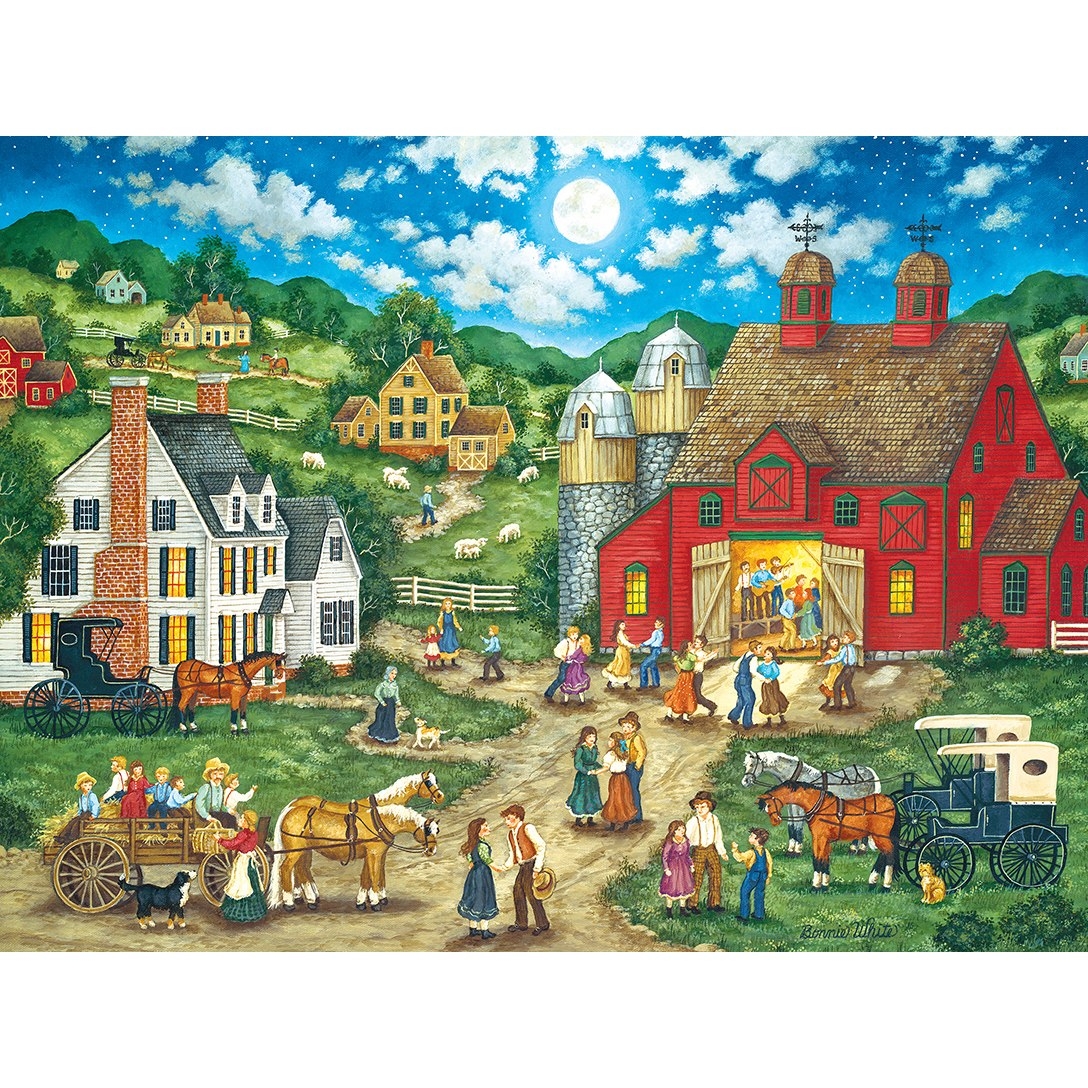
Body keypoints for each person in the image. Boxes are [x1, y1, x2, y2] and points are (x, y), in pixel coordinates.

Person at [500, 803, 550, 936]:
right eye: (505, 819)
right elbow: (513, 854)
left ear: (517, 817)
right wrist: (504, 867)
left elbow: (541, 846)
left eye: (508, 818)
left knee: (532, 894)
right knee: (517, 891)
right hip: (523, 866)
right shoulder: (510, 834)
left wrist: (537, 868)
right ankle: (521, 923)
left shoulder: (528, 828)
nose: (506, 822)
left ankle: (542, 923)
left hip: (532, 864)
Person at [217, 809, 268, 924]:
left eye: (242, 818)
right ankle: (256, 912)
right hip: (250, 862)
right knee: (252, 884)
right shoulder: (253, 833)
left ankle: (239, 914)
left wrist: (219, 840)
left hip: (243, 862)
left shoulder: (243, 834)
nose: (240, 820)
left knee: (240, 885)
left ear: (246, 822)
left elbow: (232, 844)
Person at [457, 818, 502, 939]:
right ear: (478, 829)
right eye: (485, 826)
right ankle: (484, 931)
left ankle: (473, 929)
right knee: (484, 899)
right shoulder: (482, 845)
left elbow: (469, 857)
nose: (488, 828)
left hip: (473, 875)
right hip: (483, 875)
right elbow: (487, 860)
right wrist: (498, 868)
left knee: (474, 898)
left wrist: (472, 863)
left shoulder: (473, 844)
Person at [685, 791, 728, 913]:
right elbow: (687, 840)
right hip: (699, 851)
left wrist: (722, 852)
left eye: (702, 807)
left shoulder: (714, 819)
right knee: (696, 876)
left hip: (711, 849)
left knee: (716, 874)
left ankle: (714, 903)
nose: (699, 810)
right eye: (697, 807)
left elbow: (718, 837)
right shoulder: (693, 822)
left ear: (709, 806)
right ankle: (692, 904)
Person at [732, 827, 773, 922]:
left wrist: (734, 849)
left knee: (744, 892)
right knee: (759, 894)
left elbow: (740, 858)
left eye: (751, 836)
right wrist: (769, 875)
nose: (749, 837)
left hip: (753, 876)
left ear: (757, 840)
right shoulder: (765, 851)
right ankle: (759, 914)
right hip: (763, 875)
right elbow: (769, 863)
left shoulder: (751, 852)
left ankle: (744, 915)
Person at [565, 726, 603, 827]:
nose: (592, 738)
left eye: (593, 736)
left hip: (592, 777)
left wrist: (602, 768)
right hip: (583, 777)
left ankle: (590, 819)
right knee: (581, 795)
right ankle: (578, 819)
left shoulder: (594, 748)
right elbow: (577, 764)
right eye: (589, 736)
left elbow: (594, 762)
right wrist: (586, 771)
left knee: (592, 795)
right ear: (584, 737)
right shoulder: (581, 749)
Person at [600, 731, 638, 830]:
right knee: (624, 799)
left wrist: (595, 772)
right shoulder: (624, 752)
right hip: (624, 778)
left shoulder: (611, 754)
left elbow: (606, 767)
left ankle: (613, 824)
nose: (608, 742)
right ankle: (624, 824)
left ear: (615, 742)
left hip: (616, 779)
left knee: (615, 799)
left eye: (610, 740)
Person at [660, 820, 696, 918]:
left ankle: (682, 910)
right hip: (673, 868)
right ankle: (669, 911)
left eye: (683, 828)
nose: (682, 831)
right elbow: (664, 856)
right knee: (671, 888)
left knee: (684, 887)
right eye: (679, 829)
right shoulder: (670, 842)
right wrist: (666, 869)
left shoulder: (686, 841)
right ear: (674, 831)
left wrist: (691, 865)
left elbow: (687, 855)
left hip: (684, 868)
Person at [727, 640, 763, 729]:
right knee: (750, 700)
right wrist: (763, 678)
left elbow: (735, 667)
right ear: (754, 649)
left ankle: (733, 716)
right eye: (759, 648)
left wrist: (741, 673)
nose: (761, 650)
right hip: (745, 682)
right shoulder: (754, 658)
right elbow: (753, 671)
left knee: (741, 699)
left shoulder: (745, 654)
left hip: (738, 680)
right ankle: (747, 724)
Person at [822, 629, 860, 712]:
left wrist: (825, 662)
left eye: (845, 638)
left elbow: (838, 659)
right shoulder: (851, 647)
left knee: (836, 685)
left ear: (849, 640)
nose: (843, 639)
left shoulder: (844, 648)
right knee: (847, 685)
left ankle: (837, 705)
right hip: (852, 668)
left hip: (847, 668)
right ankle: (852, 703)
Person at [620, 712, 647, 824]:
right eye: (624, 726)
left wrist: (637, 765)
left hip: (633, 766)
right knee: (626, 790)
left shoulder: (636, 738)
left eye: (629, 727)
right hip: (625, 766)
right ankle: (628, 813)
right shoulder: (623, 738)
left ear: (634, 728)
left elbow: (642, 752)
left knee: (633, 790)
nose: (625, 729)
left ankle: (637, 816)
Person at [663, 641, 698, 722]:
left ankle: (669, 714)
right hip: (687, 676)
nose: (692, 645)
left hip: (682, 675)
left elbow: (675, 661)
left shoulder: (679, 656)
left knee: (679, 693)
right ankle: (684, 717)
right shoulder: (690, 655)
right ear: (686, 648)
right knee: (687, 694)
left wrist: (679, 669)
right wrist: (711, 655)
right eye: (690, 645)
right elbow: (698, 659)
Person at [544, 624, 580, 701]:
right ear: (569, 634)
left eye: (576, 634)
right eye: (573, 634)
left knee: (574, 679)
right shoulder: (565, 642)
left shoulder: (578, 643)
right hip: (565, 664)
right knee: (561, 678)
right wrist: (562, 656)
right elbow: (556, 650)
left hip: (573, 664)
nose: (575, 636)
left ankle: (571, 697)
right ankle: (548, 694)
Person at [757, 645, 789, 726]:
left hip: (773, 683)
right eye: (765, 653)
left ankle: (782, 719)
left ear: (772, 656)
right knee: (767, 700)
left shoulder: (773, 664)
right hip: (765, 685)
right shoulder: (762, 665)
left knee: (775, 698)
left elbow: (776, 672)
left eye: (768, 654)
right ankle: (769, 721)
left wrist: (770, 678)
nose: (765, 655)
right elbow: (758, 671)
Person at [369, 665, 402, 743]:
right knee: (382, 717)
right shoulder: (383, 684)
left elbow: (396, 695)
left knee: (390, 718)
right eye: (392, 673)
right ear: (388, 673)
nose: (394, 675)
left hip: (391, 703)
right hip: (384, 703)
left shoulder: (395, 685)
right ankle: (379, 733)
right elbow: (377, 693)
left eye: (395, 674)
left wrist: (398, 701)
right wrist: (382, 701)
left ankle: (390, 734)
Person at [196, 758, 234, 826]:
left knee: (231, 818)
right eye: (215, 774)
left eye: (220, 774)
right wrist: (207, 816)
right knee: (224, 819)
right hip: (206, 816)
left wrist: (228, 810)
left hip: (218, 814)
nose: (218, 777)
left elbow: (221, 806)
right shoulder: (206, 787)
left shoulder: (220, 788)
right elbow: (199, 804)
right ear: (209, 775)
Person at [690, 634, 719, 716]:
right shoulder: (691, 651)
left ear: (702, 645)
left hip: (697, 675)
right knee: (688, 693)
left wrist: (713, 653)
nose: (695, 643)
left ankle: (712, 706)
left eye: (697, 642)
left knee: (697, 696)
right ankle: (685, 713)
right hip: (690, 675)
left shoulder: (702, 653)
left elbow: (706, 658)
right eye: (695, 641)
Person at [560, 633, 592, 704]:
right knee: (579, 682)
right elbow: (584, 659)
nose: (579, 640)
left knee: (569, 681)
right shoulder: (585, 650)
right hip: (579, 667)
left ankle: (566, 701)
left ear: (584, 641)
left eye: (581, 639)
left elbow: (573, 656)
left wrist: (566, 658)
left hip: (574, 667)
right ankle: (582, 701)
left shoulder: (580, 650)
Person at [603, 619, 636, 689]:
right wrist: (634, 646)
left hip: (625, 651)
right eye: (622, 624)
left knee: (625, 666)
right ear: (618, 626)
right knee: (619, 666)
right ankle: (610, 683)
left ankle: (625, 684)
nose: (624, 626)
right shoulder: (620, 634)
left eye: (624, 624)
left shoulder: (622, 633)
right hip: (621, 652)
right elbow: (625, 642)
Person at [639, 617, 666, 689]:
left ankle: (643, 685)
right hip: (657, 650)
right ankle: (656, 683)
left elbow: (651, 640)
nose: (654, 623)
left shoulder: (656, 632)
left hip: (654, 650)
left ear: (661, 624)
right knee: (653, 666)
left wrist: (642, 644)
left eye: (656, 622)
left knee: (643, 666)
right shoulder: (661, 632)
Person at [817, 634, 842, 710]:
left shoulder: (841, 648)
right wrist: (821, 662)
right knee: (830, 685)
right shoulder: (830, 652)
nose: (835, 643)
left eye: (836, 641)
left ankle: (837, 703)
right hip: (834, 671)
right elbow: (826, 658)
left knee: (838, 687)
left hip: (841, 670)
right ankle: (828, 702)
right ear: (829, 644)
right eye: (832, 642)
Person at [436, 598, 463, 668]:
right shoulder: (443, 613)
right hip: (445, 631)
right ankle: (442, 662)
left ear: (451, 605)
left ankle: (453, 661)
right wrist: (441, 629)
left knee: (452, 644)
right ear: (444, 605)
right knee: (444, 644)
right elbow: (439, 622)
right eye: (446, 604)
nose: (447, 605)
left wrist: (459, 627)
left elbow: (455, 621)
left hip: (451, 631)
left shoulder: (452, 613)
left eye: (449, 604)